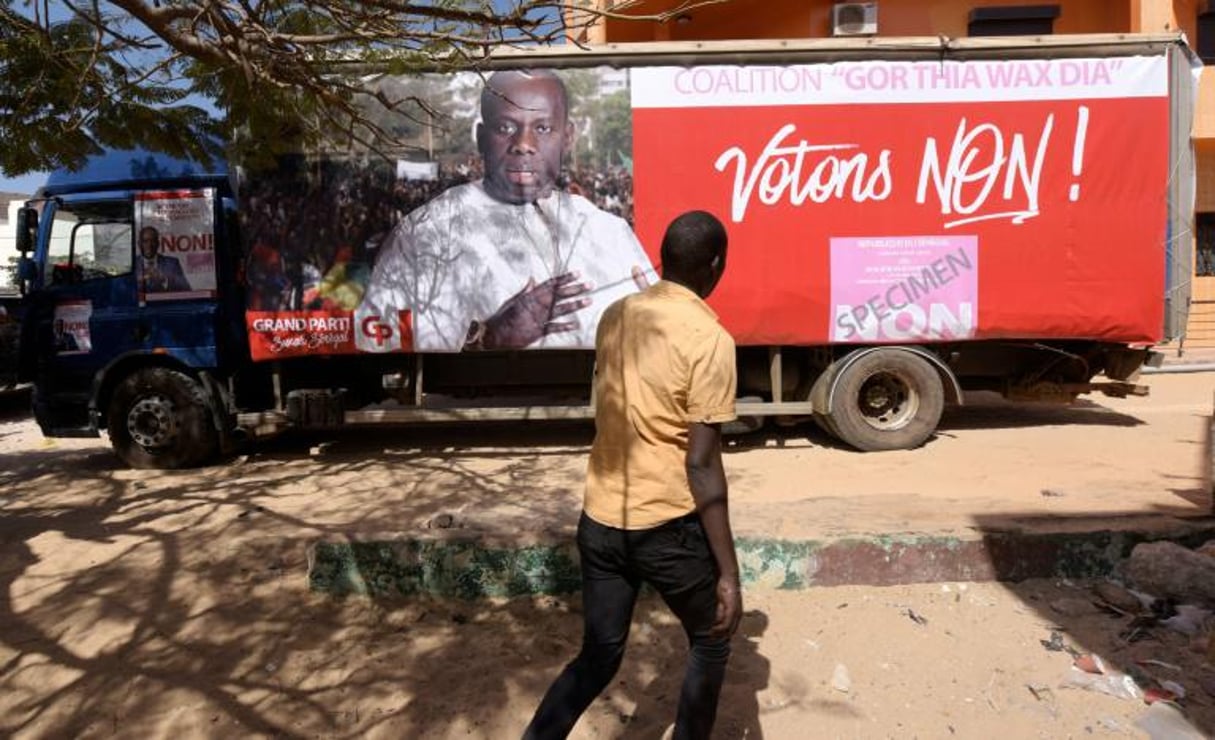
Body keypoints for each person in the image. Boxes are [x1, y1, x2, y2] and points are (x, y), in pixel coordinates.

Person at [524, 211, 741, 740]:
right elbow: (701, 464)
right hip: (662, 525)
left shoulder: (616, 315)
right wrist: (728, 573)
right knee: (712, 637)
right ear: (716, 266)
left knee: (599, 652)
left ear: (661, 259)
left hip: (599, 518)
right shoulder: (711, 340)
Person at [358, 69, 655, 352]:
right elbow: (378, 345)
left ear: (567, 137)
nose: (523, 145)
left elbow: (655, 335)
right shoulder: (426, 232)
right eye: (506, 128)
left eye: (542, 128)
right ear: (482, 138)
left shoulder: (607, 231)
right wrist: (490, 338)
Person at [137, 226, 191, 293]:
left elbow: (186, 290)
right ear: (139, 244)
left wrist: (164, 280)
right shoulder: (132, 265)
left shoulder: (172, 264)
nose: (149, 245)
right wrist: (138, 282)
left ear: (158, 243)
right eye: (145, 241)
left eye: (153, 241)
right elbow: (125, 292)